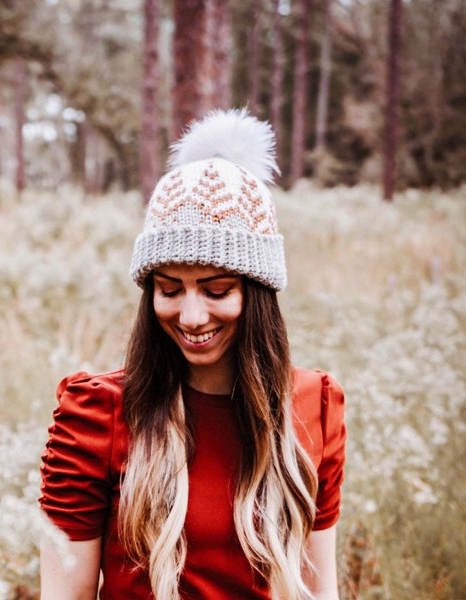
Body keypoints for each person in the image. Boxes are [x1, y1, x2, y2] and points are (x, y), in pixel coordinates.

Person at [39, 108, 346, 600]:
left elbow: (317, 589)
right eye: (169, 288)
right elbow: (66, 595)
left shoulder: (315, 407)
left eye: (217, 290)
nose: (191, 316)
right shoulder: (96, 414)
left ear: (258, 292)